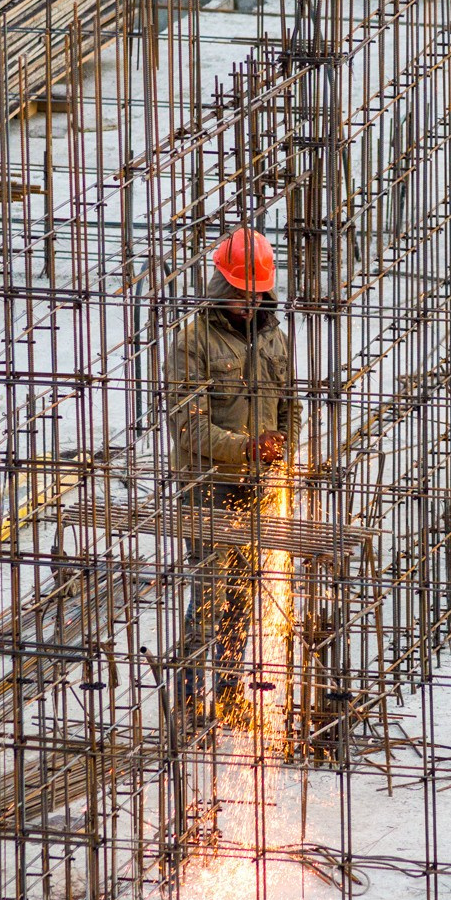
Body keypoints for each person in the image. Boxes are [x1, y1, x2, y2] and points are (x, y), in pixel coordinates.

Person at [164, 227, 300, 724]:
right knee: (209, 595)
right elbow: (188, 426)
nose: (250, 302)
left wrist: (282, 450)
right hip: (209, 487)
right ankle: (186, 700)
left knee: (243, 594)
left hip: (257, 486)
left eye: (257, 293)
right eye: (241, 293)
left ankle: (228, 694)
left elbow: (289, 405)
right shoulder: (192, 342)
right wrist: (246, 448)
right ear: (222, 285)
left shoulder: (273, 336)